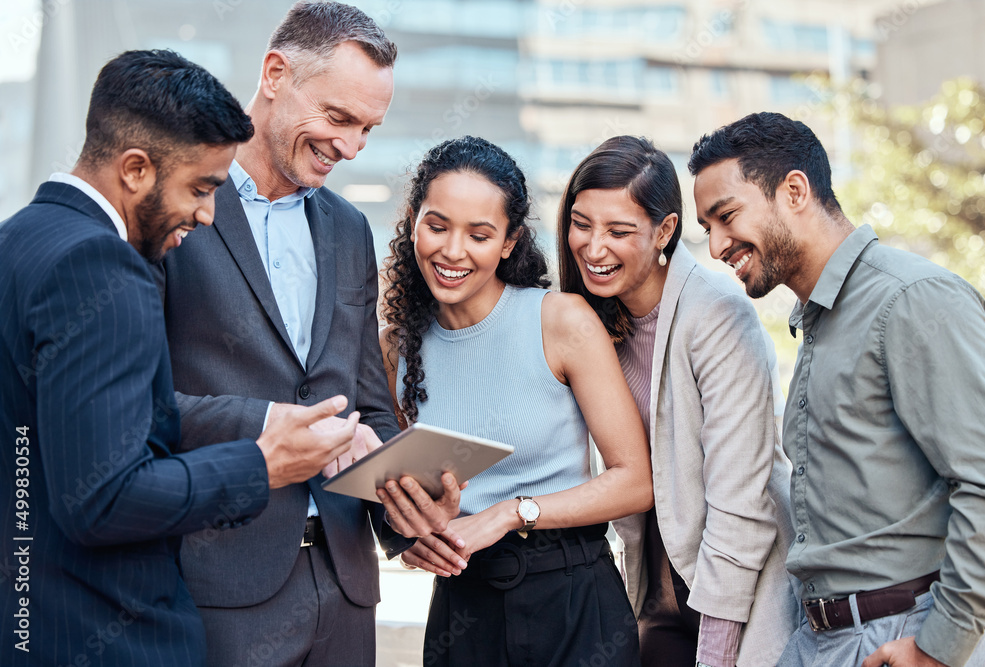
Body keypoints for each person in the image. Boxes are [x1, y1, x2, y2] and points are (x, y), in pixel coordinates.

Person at [0, 49, 362, 667]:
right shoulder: (102, 265)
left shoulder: (19, 238)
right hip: (107, 631)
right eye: (199, 188)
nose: (206, 213)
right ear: (136, 168)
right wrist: (259, 463)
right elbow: (102, 499)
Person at [155, 3, 462, 666]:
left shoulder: (350, 229)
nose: (351, 147)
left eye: (368, 129)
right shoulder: (173, 205)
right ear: (274, 74)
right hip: (218, 589)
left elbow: (367, 403)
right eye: (339, 117)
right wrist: (275, 424)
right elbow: (145, 406)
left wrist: (404, 503)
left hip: (346, 592)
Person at [689, 111, 985, 667]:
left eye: (726, 216)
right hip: (821, 639)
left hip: (906, 635)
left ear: (794, 190)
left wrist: (939, 650)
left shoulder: (911, 299)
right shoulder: (818, 322)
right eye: (706, 227)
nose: (715, 247)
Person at [377, 135, 652, 667]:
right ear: (413, 221)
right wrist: (411, 537)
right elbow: (395, 490)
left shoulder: (561, 321)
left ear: (508, 242)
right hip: (463, 603)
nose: (452, 251)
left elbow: (635, 480)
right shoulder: (395, 347)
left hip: (572, 598)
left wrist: (509, 514)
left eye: (479, 235)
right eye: (436, 226)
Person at [556, 135, 798, 667]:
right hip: (659, 596)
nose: (594, 249)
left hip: (739, 598)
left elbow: (742, 501)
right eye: (581, 224)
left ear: (665, 230)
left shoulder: (716, 315)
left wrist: (716, 654)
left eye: (619, 231)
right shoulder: (589, 323)